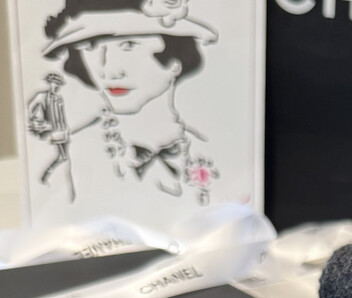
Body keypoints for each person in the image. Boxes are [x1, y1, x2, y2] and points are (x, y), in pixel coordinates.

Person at [40, 0, 219, 203]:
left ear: (175, 61)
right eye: (90, 47)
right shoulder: (73, 155)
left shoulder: (210, 149)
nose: (108, 70)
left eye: (128, 46)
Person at [27, 73, 74, 197]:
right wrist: (36, 120)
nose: (56, 86)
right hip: (54, 131)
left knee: (64, 157)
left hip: (63, 130)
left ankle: (45, 176)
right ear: (49, 84)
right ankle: (45, 176)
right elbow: (31, 106)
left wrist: (66, 128)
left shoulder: (59, 98)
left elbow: (62, 115)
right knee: (63, 157)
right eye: (54, 84)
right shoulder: (42, 96)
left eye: (58, 84)